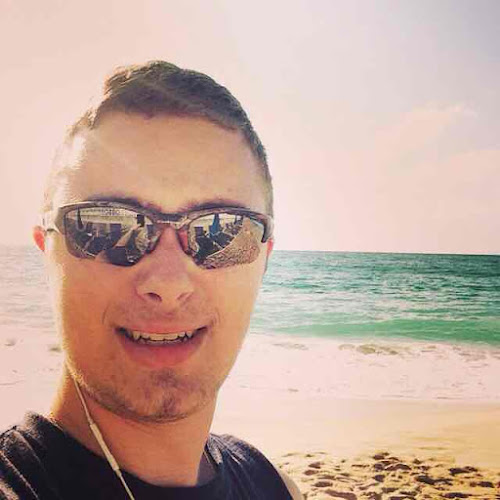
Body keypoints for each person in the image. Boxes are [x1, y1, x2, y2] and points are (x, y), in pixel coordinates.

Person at [0, 61, 302, 499]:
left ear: (263, 258)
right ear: (48, 250)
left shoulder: (274, 485)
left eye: (222, 231)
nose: (168, 281)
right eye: (107, 226)